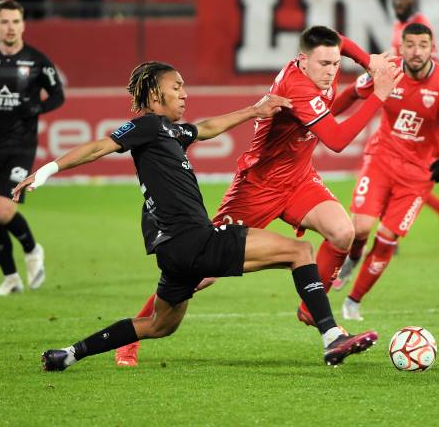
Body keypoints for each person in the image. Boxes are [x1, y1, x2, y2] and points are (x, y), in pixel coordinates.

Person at [12, 62, 380, 371]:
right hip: (195, 240)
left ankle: (69, 354)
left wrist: (255, 110)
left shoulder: (170, 132)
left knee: (158, 325)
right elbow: (99, 146)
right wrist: (46, 170)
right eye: (177, 87)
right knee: (299, 252)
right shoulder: (146, 126)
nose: (185, 93)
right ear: (156, 96)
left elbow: (206, 128)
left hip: (174, 252)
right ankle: (332, 337)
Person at [114, 26, 399, 367]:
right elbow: (336, 140)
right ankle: (130, 340)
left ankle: (312, 307)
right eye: (324, 64)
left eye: (336, 63)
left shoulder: (324, 66)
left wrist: (367, 65)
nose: (331, 70)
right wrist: (377, 92)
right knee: (201, 272)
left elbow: (336, 45)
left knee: (343, 232)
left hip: (298, 178)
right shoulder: (297, 85)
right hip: (257, 187)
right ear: (303, 60)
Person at [330, 22, 439, 319]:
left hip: (418, 176)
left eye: (423, 45)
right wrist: (324, 117)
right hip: (382, 158)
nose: (417, 51)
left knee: (385, 239)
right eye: (411, 45)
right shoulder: (387, 71)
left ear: (433, 48)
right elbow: (353, 94)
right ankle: (353, 258)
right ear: (401, 47)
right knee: (361, 229)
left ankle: (353, 301)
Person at [0, 0, 65, 296]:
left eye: (15, 21)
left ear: (23, 25)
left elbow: (58, 95)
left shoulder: (37, 61)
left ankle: (32, 248)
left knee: (4, 209)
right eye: (5, 22)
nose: (10, 27)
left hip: (21, 146)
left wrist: (36, 106)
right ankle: (11, 278)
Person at [389, 0, 439, 250]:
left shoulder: (419, 25)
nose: (398, 2)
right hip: (398, 104)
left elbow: (428, 68)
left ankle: (391, 231)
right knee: (396, 168)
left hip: (420, 105)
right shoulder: (399, 26)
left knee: (405, 171)